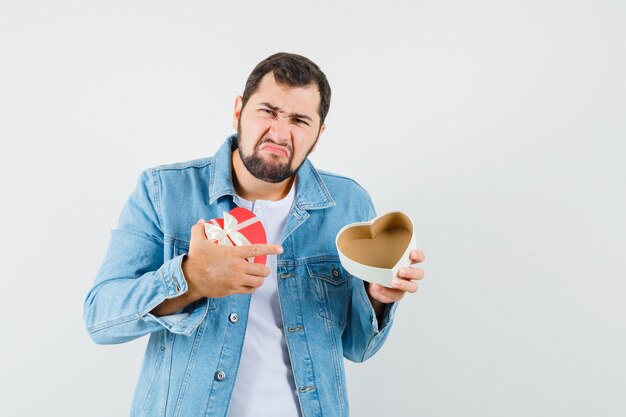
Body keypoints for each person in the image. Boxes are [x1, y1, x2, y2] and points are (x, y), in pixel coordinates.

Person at [83, 52, 425, 417]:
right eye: (268, 111)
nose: (279, 132)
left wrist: (377, 297)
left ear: (318, 135)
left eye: (299, 120)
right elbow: (101, 317)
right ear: (238, 110)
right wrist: (191, 280)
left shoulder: (347, 204)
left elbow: (358, 348)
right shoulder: (164, 191)